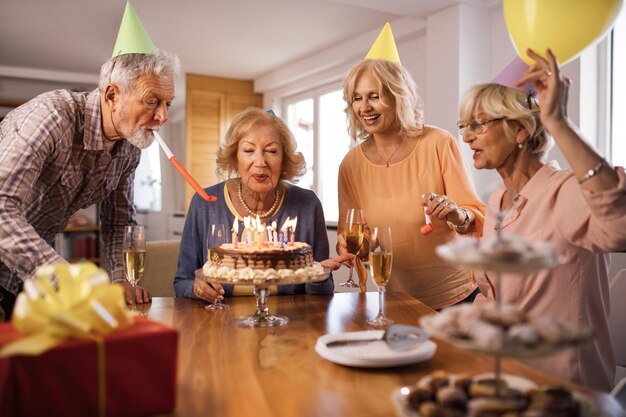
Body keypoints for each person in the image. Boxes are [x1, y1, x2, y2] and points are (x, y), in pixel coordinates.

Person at [460, 48, 626, 391]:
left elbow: (619, 228)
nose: (466, 136)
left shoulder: (565, 190)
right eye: (464, 125)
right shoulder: (496, 201)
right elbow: (495, 298)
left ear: (520, 131)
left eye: (479, 124)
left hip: (564, 391)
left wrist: (559, 123)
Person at [0, 49, 180, 321]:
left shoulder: (129, 149)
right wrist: (63, 277)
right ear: (112, 95)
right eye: (152, 101)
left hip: (25, 279)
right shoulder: (52, 117)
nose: (163, 116)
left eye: (168, 103)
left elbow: (119, 222)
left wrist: (120, 278)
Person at [337, 58, 486, 310]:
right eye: (357, 98)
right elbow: (357, 243)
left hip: (458, 298)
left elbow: (474, 216)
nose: (364, 107)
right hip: (397, 301)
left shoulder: (438, 142)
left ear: (398, 96)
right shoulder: (350, 165)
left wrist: (456, 214)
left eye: (374, 96)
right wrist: (353, 246)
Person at [174, 107, 351, 302]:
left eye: (271, 151)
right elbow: (182, 281)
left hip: (289, 323)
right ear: (235, 157)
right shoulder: (205, 204)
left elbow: (322, 293)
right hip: (221, 325)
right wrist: (197, 289)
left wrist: (321, 275)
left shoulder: (308, 205)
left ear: (284, 160)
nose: (260, 162)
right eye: (249, 150)